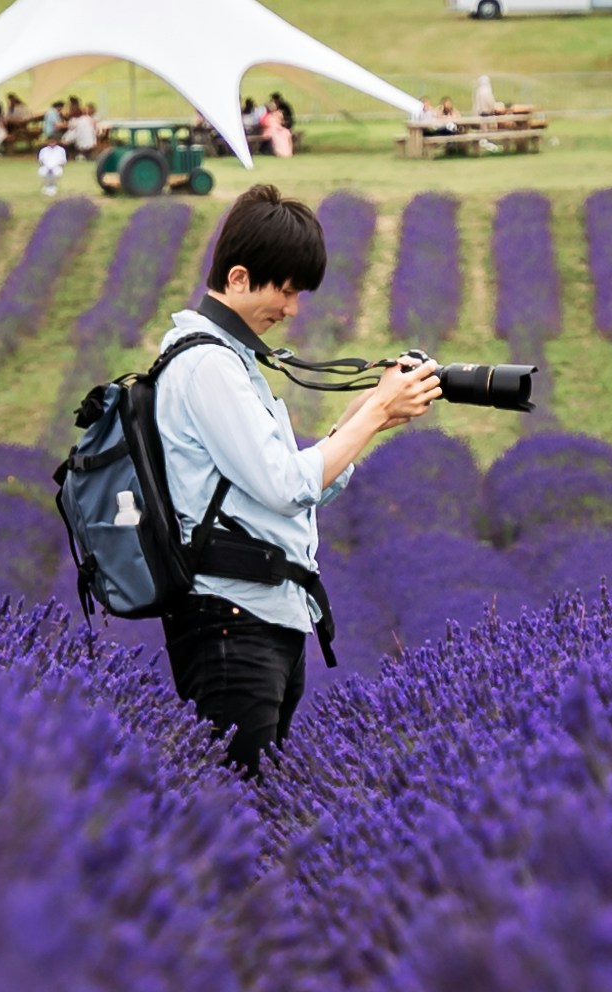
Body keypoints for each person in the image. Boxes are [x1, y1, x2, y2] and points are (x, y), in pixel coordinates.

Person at [145, 189, 437, 776]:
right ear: (238, 276)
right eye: (286, 289)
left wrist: (368, 413)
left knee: (265, 803)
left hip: (265, 617)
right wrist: (376, 411)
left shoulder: (232, 362)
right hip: (230, 622)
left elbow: (296, 486)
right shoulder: (207, 366)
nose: (293, 308)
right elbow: (285, 485)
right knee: (240, 809)